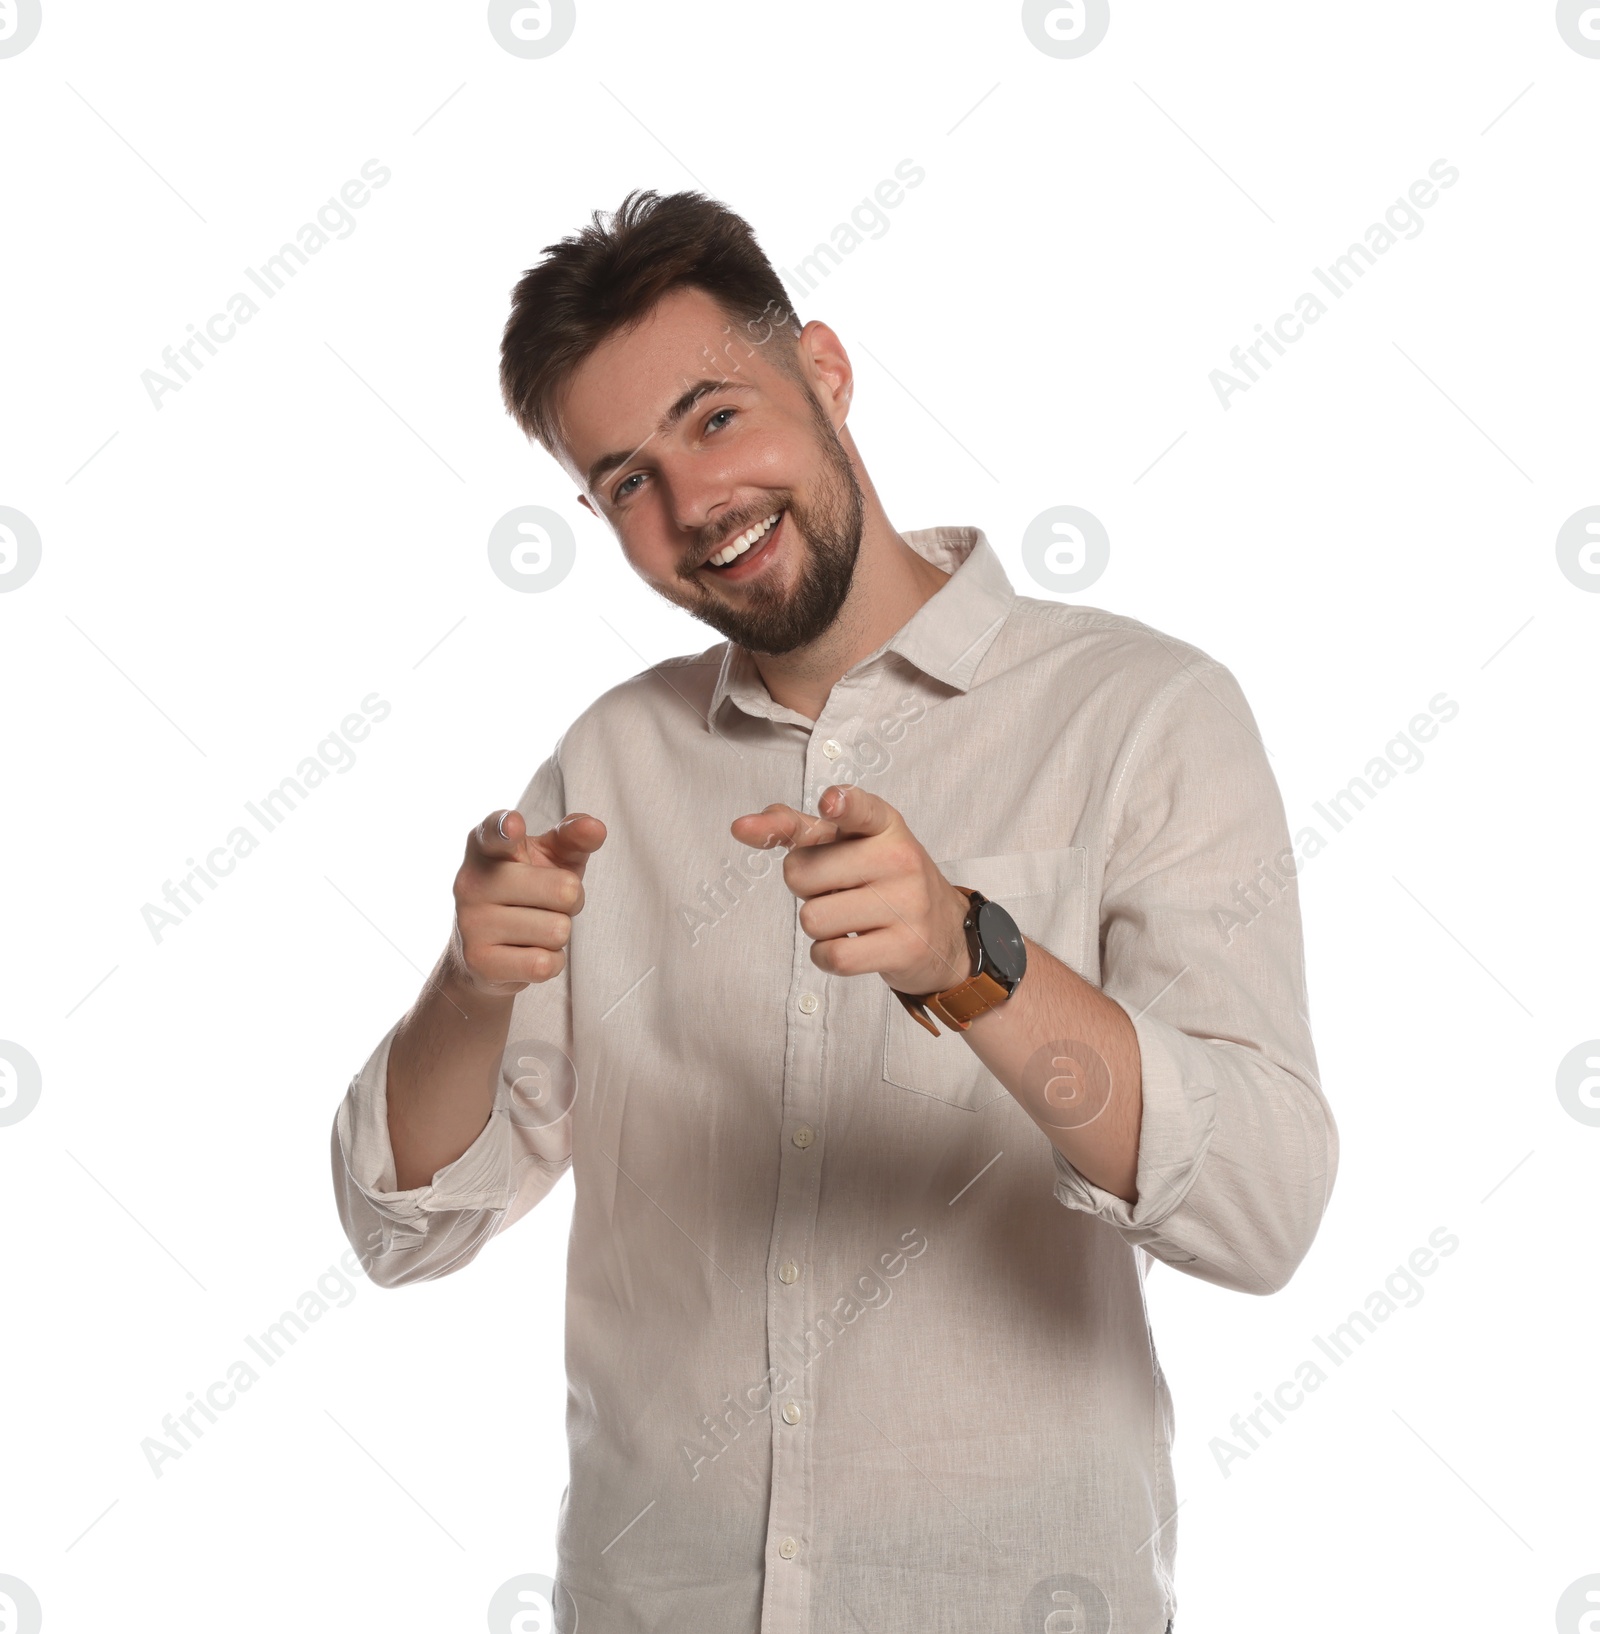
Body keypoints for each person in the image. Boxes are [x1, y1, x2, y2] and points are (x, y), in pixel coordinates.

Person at [330, 188, 1337, 1634]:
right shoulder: (607, 763)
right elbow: (399, 1228)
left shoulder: (1143, 715)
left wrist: (970, 961)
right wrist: (470, 985)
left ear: (826, 369)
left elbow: (1264, 1206)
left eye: (715, 417)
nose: (693, 506)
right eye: (625, 481)